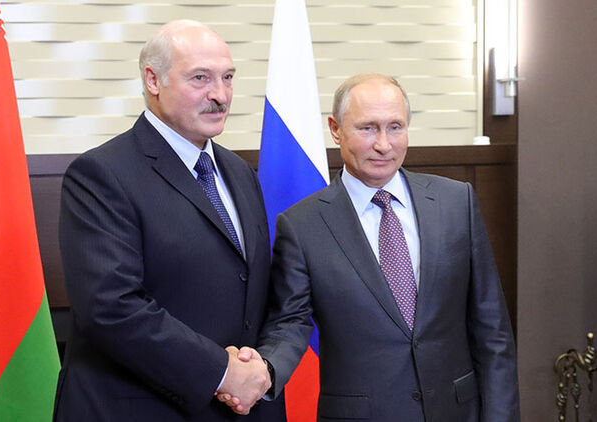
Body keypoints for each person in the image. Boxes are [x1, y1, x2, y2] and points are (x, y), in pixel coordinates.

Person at [222, 73, 520, 421]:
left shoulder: (456, 202)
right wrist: (264, 370)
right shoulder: (302, 225)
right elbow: (290, 323)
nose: (384, 144)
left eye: (395, 127)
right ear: (335, 129)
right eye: (368, 128)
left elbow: (492, 331)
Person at [53, 20, 285, 421]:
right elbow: (111, 308)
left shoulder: (240, 172)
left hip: (239, 409)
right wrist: (222, 371)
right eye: (201, 78)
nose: (220, 95)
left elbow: (255, 291)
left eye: (228, 77)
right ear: (153, 80)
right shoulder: (100, 174)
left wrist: (256, 371)